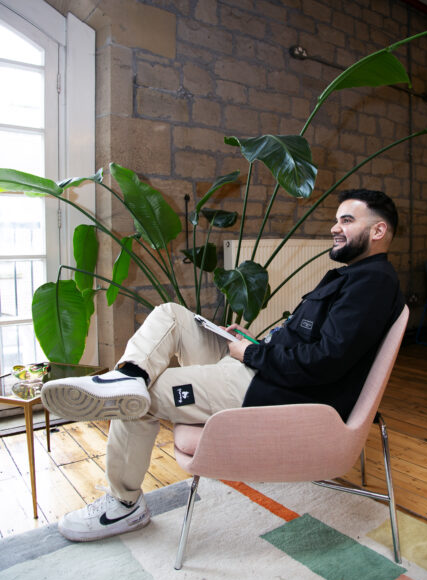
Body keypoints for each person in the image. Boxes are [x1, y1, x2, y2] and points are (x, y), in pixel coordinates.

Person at [41, 188, 405, 542]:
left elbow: (325, 362)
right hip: (261, 369)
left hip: (266, 390)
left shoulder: (372, 283)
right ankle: (127, 375)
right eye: (336, 220)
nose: (334, 228)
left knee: (142, 398)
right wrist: (253, 342)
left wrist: (251, 355)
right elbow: (308, 341)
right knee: (173, 316)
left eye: (346, 220)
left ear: (377, 231)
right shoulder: (352, 277)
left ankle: (124, 505)